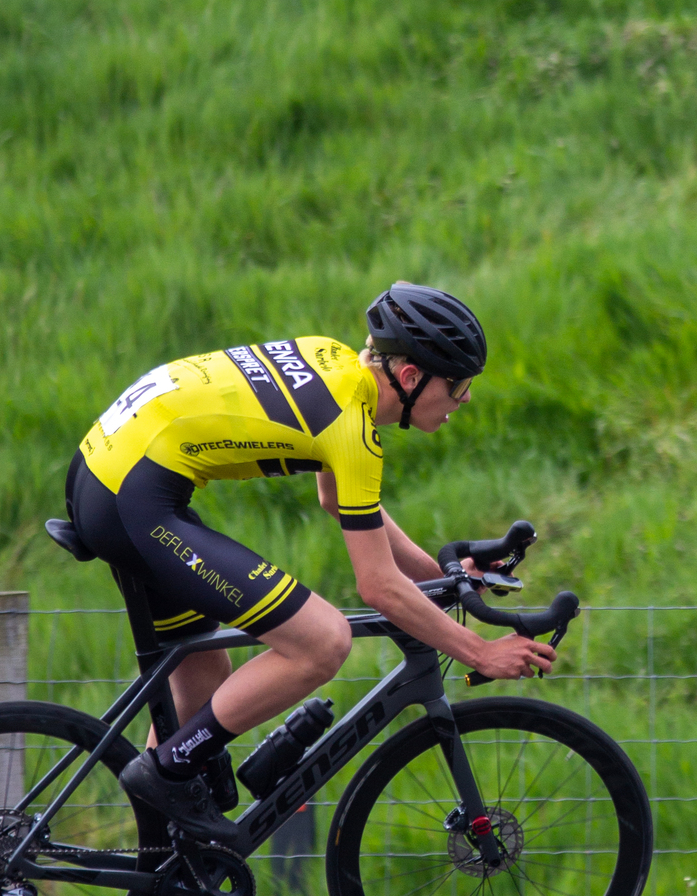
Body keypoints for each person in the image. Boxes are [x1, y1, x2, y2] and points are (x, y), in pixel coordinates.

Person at [64, 282, 553, 842]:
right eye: (459, 383)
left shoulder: (337, 368)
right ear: (413, 377)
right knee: (323, 640)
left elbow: (336, 501)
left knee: (203, 676)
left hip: (108, 477)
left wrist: (442, 579)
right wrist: (480, 652)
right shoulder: (353, 426)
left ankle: (166, 866)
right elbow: (378, 587)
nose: (464, 399)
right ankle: (166, 773)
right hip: (133, 498)